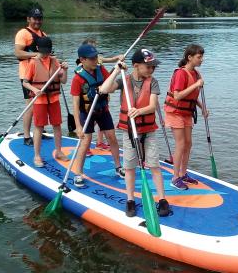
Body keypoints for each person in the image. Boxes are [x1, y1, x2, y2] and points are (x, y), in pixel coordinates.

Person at [99, 48, 171, 218]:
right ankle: (130, 200)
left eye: (153, 67)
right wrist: (117, 69)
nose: (151, 70)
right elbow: (104, 89)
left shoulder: (153, 82)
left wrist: (139, 111)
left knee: (154, 165)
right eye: (148, 66)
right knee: (130, 167)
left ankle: (162, 200)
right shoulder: (125, 80)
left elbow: (153, 106)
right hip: (129, 131)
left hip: (148, 131)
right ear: (136, 66)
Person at [69, 44, 124, 187]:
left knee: (112, 137)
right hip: (86, 113)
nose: (95, 61)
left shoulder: (100, 69)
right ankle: (78, 173)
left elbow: (109, 83)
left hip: (102, 110)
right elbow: (75, 104)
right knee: (85, 142)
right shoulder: (78, 79)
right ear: (82, 59)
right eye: (92, 58)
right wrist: (78, 126)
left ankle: (118, 167)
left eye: (96, 57)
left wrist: (117, 69)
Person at [163, 44, 208, 190]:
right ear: (189, 57)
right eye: (199, 57)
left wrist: (203, 108)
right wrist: (196, 85)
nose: (202, 60)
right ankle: (175, 177)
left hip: (187, 113)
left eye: (202, 57)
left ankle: (183, 173)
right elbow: (177, 96)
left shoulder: (196, 74)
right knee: (181, 144)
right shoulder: (181, 73)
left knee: (188, 143)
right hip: (175, 113)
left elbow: (191, 97)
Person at [21, 37, 69, 167]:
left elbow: (63, 81)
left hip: (53, 99)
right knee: (39, 126)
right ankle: (37, 155)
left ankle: (59, 151)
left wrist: (65, 70)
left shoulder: (55, 61)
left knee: (57, 125)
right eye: (43, 51)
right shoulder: (32, 63)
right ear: (37, 49)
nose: (46, 54)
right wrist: (34, 90)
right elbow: (25, 83)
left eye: (48, 51)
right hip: (39, 101)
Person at [77, 37, 124, 150]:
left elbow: (111, 60)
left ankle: (99, 142)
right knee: (90, 123)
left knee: (102, 118)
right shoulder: (82, 65)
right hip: (89, 100)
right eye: (92, 47)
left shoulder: (98, 59)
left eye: (95, 47)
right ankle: (85, 146)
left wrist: (119, 57)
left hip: (101, 96)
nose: (94, 50)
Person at [14, 8, 49, 146]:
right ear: (28, 19)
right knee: (30, 106)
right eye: (35, 18)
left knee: (42, 105)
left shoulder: (43, 34)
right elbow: (18, 54)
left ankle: (40, 131)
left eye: (40, 18)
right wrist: (36, 55)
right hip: (27, 76)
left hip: (41, 75)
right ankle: (27, 136)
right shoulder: (23, 33)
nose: (37, 21)